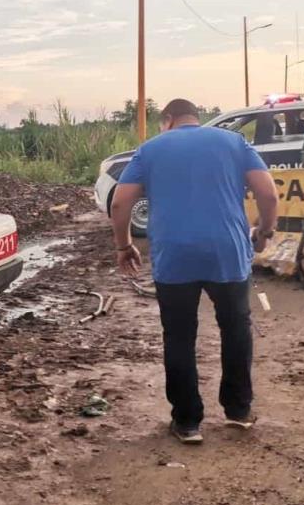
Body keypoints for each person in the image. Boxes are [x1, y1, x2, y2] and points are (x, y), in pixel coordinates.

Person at [110, 99, 279, 444]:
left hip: (175, 256)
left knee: (179, 336)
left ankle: (187, 422)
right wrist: (264, 232)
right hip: (228, 253)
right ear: (195, 118)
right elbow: (268, 194)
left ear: (168, 120)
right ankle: (239, 411)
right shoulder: (232, 142)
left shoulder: (150, 149)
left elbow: (119, 201)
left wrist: (124, 245)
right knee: (235, 329)